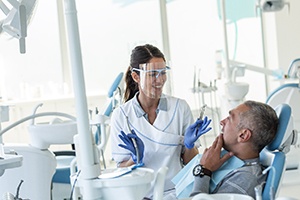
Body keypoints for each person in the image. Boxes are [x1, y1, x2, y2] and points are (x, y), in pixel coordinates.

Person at [110, 44, 212, 198]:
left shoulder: (180, 107)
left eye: (163, 72)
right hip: (142, 194)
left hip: (177, 192)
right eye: (152, 74)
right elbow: (121, 169)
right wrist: (134, 159)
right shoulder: (121, 115)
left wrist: (189, 145)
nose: (160, 80)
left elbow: (190, 161)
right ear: (136, 76)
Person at [189, 100, 279, 199]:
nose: (222, 122)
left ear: (243, 135)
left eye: (229, 119)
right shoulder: (229, 162)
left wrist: (204, 170)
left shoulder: (244, 180)